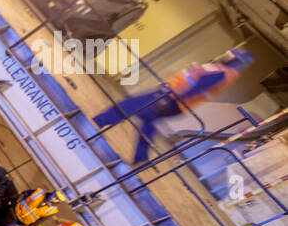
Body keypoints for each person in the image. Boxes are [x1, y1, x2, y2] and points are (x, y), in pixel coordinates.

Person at [92, 49, 254, 165]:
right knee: (147, 120)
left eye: (231, 54)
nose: (227, 54)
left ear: (235, 60)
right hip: (172, 100)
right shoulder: (221, 70)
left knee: (128, 106)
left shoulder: (222, 73)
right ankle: (140, 158)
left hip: (171, 99)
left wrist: (169, 99)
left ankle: (98, 122)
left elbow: (196, 88)